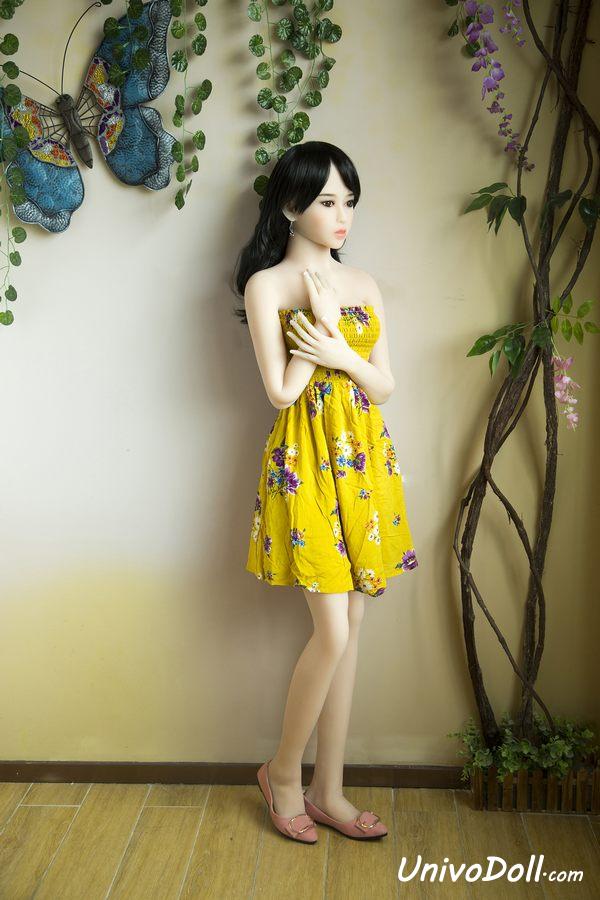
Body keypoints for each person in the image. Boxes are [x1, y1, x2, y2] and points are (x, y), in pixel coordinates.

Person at [233, 141, 418, 843]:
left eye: (350, 202)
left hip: (363, 461)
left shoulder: (362, 282)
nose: (343, 216)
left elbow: (384, 385)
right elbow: (281, 392)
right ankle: (282, 773)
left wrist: (338, 346)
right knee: (333, 629)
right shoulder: (267, 287)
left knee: (354, 628)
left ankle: (328, 790)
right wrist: (322, 337)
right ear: (290, 205)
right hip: (305, 462)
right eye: (327, 201)